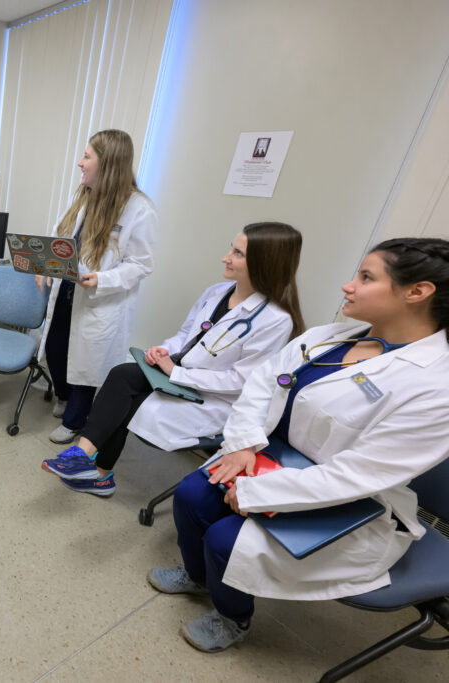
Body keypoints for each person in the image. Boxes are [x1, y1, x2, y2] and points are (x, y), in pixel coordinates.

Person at [147, 237, 449, 653]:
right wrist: (241, 445)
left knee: (227, 541)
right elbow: (262, 383)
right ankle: (198, 579)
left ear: (417, 292)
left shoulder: (434, 386)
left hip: (352, 499)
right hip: (265, 455)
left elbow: (359, 475)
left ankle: (232, 618)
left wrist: (256, 491)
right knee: (192, 496)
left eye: (365, 277)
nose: (348, 286)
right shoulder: (332, 336)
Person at [42, 223, 305, 496]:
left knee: (128, 399)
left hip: (212, 397)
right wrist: (164, 351)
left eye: (238, 253)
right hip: (180, 374)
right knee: (122, 374)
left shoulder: (276, 320)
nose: (226, 257)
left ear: (265, 263)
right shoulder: (217, 292)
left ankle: (100, 474)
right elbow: (185, 336)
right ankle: (82, 458)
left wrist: (177, 373)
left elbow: (241, 382)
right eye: (231, 248)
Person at [36, 129, 158, 444]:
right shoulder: (86, 195)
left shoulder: (139, 209)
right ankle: (62, 396)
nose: (80, 162)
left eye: (87, 156)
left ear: (108, 164)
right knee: (56, 347)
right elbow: (62, 235)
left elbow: (141, 264)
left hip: (99, 297)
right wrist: (44, 266)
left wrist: (103, 279)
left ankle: (75, 420)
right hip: (67, 287)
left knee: (87, 361)